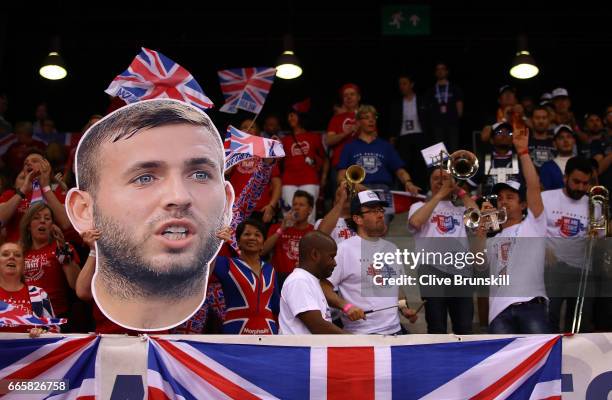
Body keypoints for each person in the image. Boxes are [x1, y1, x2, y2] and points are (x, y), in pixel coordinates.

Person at [66, 99, 234, 331]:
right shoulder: (106, 247)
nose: (179, 196)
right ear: (85, 210)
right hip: (109, 354)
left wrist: (212, 245)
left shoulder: (172, 262)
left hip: (159, 352)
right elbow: (84, 292)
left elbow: (198, 281)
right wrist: (95, 249)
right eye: (144, 178)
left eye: (199, 175)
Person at [475, 126, 552, 334]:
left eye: (510, 198)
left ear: (524, 205)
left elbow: (534, 187)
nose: (503, 202)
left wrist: (524, 152)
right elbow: (480, 268)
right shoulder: (493, 239)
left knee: (539, 363)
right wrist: (480, 236)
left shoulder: (533, 225)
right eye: (500, 198)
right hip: (498, 313)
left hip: (531, 306)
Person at [321, 190, 418, 334]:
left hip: (395, 331)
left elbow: (396, 288)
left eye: (380, 210)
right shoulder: (343, 250)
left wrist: (404, 308)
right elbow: (323, 286)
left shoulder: (392, 249)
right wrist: (346, 307)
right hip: (362, 335)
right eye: (372, 211)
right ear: (358, 219)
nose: (380, 215)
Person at [408, 168, 478, 334]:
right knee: (436, 325)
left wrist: (459, 191)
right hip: (431, 269)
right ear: (430, 184)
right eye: (436, 179)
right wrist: (439, 195)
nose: (440, 181)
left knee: (464, 327)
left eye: (445, 178)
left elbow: (478, 220)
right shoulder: (418, 206)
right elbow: (416, 222)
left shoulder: (461, 210)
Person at [336, 105, 421, 222]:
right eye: (366, 117)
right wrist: (353, 186)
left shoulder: (385, 146)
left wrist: (409, 183)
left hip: (382, 192)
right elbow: (341, 176)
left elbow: (400, 170)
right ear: (359, 122)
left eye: (373, 117)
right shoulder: (349, 147)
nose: (371, 120)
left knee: (378, 227)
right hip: (359, 190)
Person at [542, 156, 594, 332]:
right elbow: (532, 230)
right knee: (549, 320)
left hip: (582, 271)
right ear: (565, 178)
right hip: (551, 269)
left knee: (579, 326)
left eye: (585, 183)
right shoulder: (546, 198)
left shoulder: (595, 205)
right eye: (576, 181)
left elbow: (600, 239)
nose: (580, 187)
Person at [211, 219, 280, 334]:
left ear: (263, 243)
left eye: (257, 235)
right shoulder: (226, 264)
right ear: (238, 242)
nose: (252, 238)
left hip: (268, 333)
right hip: (236, 333)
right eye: (247, 234)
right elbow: (205, 268)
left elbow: (276, 306)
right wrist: (217, 244)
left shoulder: (270, 270)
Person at [19, 203, 81, 326]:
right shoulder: (20, 252)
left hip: (55, 317)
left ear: (52, 225)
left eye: (47, 218)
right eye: (36, 218)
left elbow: (76, 285)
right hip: (24, 316)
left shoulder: (62, 248)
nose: (42, 221)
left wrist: (64, 251)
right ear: (28, 226)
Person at [279, 231, 345, 334]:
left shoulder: (309, 280)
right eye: (331, 257)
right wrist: (355, 340)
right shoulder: (299, 280)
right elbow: (318, 326)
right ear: (315, 254)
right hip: (299, 350)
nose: (335, 263)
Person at [0, 150, 71, 242]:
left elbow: (65, 223)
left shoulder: (56, 194)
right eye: (25, 163)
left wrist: (45, 187)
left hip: (48, 253)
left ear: (46, 166)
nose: (28, 163)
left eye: (34, 161)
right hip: (17, 252)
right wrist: (23, 189)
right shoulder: (10, 195)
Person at [227, 118, 281, 224]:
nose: (248, 129)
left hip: (259, 208)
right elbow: (225, 172)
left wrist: (271, 206)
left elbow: (277, 183)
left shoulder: (265, 152)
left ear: (258, 133)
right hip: (235, 208)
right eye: (244, 127)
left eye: (252, 127)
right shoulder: (234, 151)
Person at [0, 242, 57, 336]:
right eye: (5, 254)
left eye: (17, 255)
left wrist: (42, 333)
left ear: (23, 265)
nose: (11, 257)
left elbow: (54, 329)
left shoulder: (39, 294)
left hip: (32, 350)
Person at [280, 110, 326, 223]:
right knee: (289, 214)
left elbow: (324, 159)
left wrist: (324, 177)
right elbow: (278, 162)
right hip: (288, 180)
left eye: (292, 115)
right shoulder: (285, 140)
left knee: (309, 214)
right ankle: (289, 239)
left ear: (301, 117)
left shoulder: (314, 137)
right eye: (288, 116)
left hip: (309, 179)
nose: (290, 118)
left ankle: (308, 240)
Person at [263, 190, 314, 288]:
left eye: (301, 205)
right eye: (294, 204)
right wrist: (282, 229)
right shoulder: (277, 228)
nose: (297, 207)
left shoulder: (314, 231)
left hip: (303, 279)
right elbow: (263, 250)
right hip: (279, 278)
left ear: (310, 210)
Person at [425, 63, 464, 152]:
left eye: (442, 69)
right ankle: (441, 166)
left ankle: (453, 166)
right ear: (435, 73)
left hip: (452, 124)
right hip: (437, 125)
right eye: (438, 69)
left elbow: (459, 106)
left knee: (454, 149)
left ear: (447, 71)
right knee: (439, 151)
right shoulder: (431, 90)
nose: (440, 71)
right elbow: (428, 109)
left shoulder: (454, 88)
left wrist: (457, 118)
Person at [540, 125, 577, 190]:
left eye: (569, 137)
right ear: (554, 144)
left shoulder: (584, 163)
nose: (565, 140)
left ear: (574, 141)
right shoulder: (547, 167)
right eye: (561, 138)